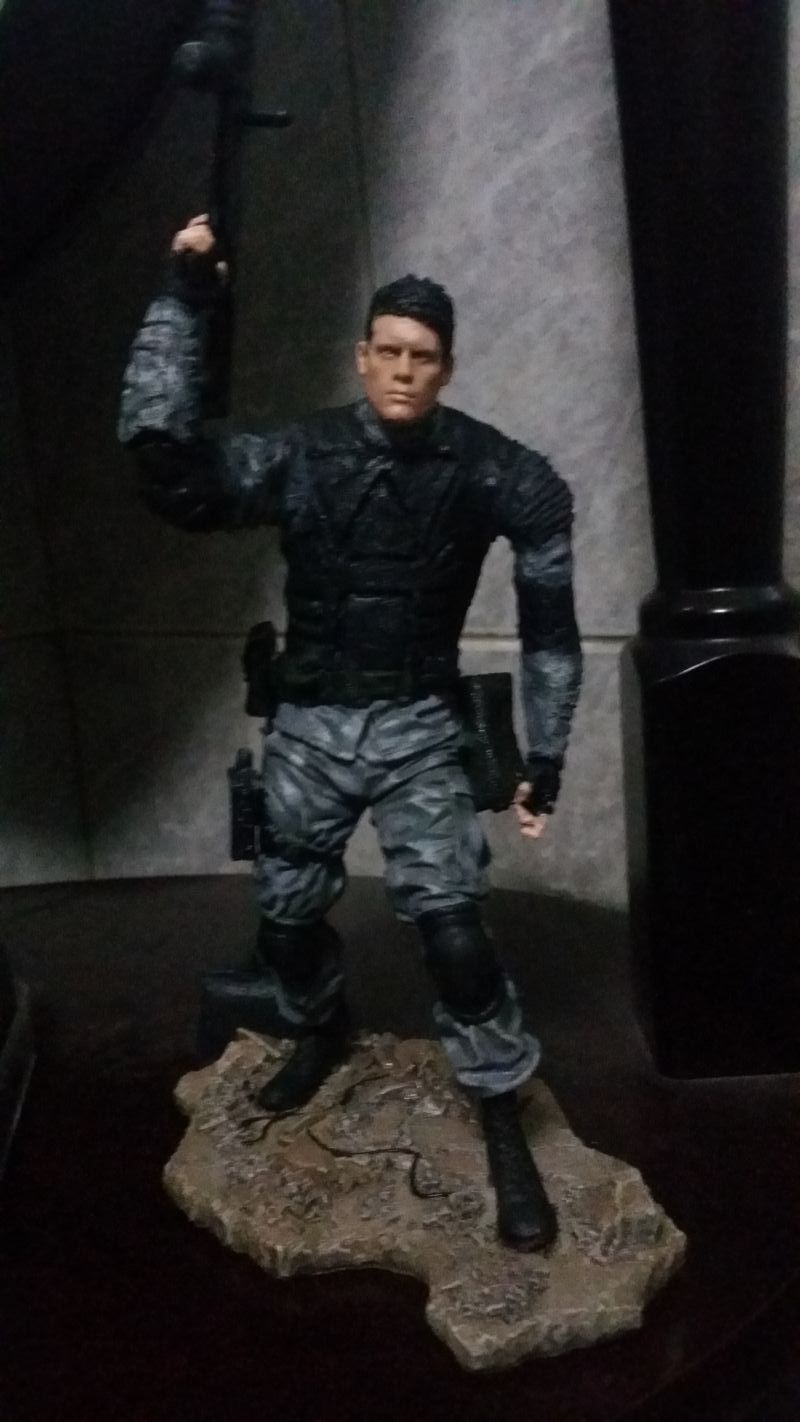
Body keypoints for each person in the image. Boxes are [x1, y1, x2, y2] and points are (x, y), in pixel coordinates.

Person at [118, 215, 582, 1251]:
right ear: (361, 355)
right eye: (389, 352)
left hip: (419, 727)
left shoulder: (493, 471)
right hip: (311, 727)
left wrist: (543, 753)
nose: (405, 372)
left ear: (446, 368)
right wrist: (183, 300)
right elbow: (171, 470)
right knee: (285, 925)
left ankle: (501, 1115)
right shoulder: (302, 456)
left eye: (424, 357)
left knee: (456, 938)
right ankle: (320, 1028)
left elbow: (550, 623)